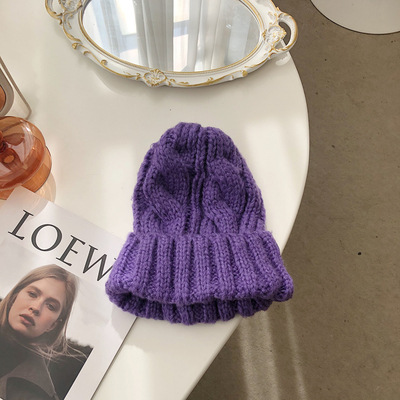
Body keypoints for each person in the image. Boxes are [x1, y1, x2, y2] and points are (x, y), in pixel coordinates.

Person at [0, 264, 78, 400]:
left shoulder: (40, 394)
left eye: (50, 306)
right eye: (32, 294)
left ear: (53, 325)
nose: (36, 307)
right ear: (14, 296)